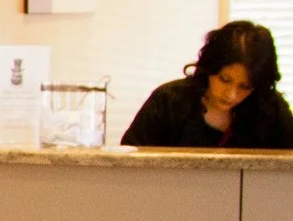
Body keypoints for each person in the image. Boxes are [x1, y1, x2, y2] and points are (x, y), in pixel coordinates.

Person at [122, 20, 293, 150]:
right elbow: (129, 164)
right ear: (210, 67)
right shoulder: (169, 101)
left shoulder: (272, 110)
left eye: (244, 87)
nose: (231, 94)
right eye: (224, 79)